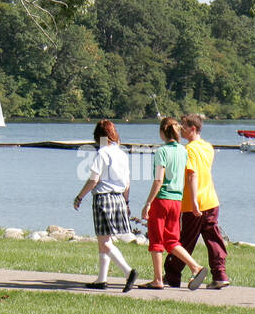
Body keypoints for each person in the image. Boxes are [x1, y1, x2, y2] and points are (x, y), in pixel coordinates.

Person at [137, 116, 207, 290]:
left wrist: (148, 203)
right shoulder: (183, 151)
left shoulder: (162, 152)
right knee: (172, 240)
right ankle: (195, 267)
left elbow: (158, 180)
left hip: (162, 200)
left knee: (156, 240)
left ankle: (157, 279)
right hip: (177, 201)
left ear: (162, 132)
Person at [164, 114, 230, 288]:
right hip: (211, 200)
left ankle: (172, 275)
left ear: (193, 128)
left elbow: (192, 174)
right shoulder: (208, 147)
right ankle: (220, 274)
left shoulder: (189, 149)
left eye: (184, 126)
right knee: (213, 238)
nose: (181, 129)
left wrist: (193, 201)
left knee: (185, 240)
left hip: (195, 202)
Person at [73, 120, 138, 292]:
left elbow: (94, 179)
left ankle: (128, 271)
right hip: (118, 198)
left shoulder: (102, 153)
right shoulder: (122, 154)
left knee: (105, 241)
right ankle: (101, 279)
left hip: (103, 199)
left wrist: (79, 197)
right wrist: (126, 201)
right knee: (104, 241)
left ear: (99, 137)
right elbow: (127, 182)